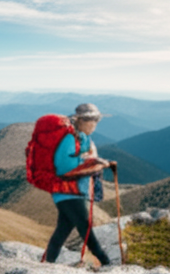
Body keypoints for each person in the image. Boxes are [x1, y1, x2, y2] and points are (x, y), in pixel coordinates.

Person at [43, 103, 115, 267]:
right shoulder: (70, 139)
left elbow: (84, 158)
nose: (94, 124)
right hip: (69, 191)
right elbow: (62, 166)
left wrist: (95, 162)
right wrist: (91, 163)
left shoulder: (83, 138)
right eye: (91, 120)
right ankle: (107, 263)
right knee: (86, 227)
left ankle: (47, 264)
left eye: (96, 120)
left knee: (62, 231)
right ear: (80, 120)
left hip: (72, 192)